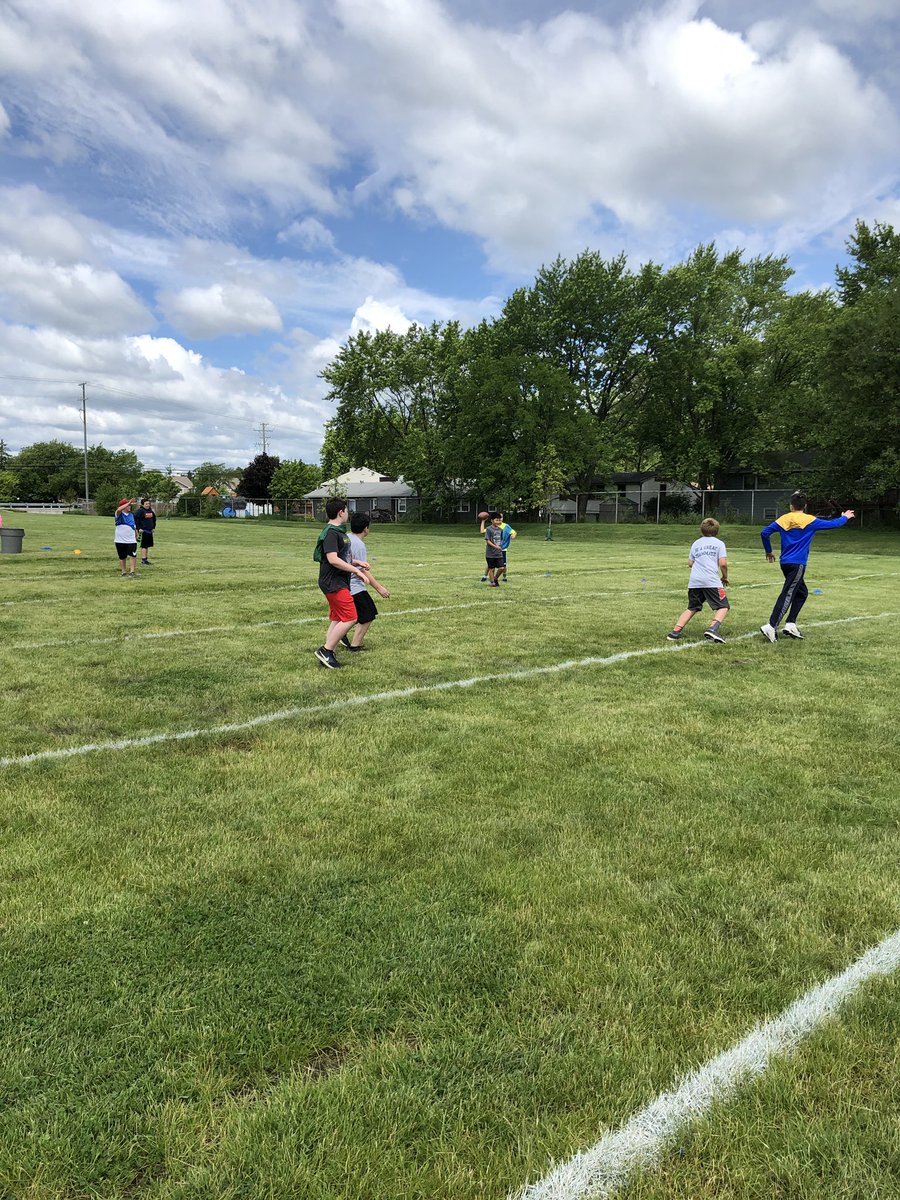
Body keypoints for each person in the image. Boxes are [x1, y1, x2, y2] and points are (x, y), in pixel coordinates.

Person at [759, 491, 855, 642]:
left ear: (791, 506)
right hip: (798, 564)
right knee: (788, 594)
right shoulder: (810, 520)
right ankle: (771, 625)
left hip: (785, 563)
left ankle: (790, 624)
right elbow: (833, 524)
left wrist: (769, 551)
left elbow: (764, 533)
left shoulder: (784, 519)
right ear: (804, 506)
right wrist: (845, 517)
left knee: (801, 592)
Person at [313, 498, 369, 669]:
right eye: (346, 510)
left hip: (337, 580)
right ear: (340, 512)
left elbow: (340, 558)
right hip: (333, 582)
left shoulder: (338, 531)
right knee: (351, 617)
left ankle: (328, 652)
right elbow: (332, 559)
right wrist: (357, 571)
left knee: (338, 617)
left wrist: (356, 563)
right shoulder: (331, 532)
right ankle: (326, 650)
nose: (347, 513)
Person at [666, 517, 730, 643]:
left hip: (695, 582)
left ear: (701, 530)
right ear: (717, 531)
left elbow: (690, 563)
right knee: (723, 606)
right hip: (711, 581)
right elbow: (723, 563)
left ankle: (674, 632)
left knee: (692, 607)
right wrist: (725, 577)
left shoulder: (696, 543)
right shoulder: (719, 544)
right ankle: (712, 629)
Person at [341, 511, 391, 651]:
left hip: (343, 584)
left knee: (353, 614)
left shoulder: (346, 538)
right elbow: (362, 570)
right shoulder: (359, 544)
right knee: (368, 614)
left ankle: (341, 634)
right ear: (366, 528)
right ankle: (355, 644)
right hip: (355, 586)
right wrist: (379, 588)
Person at [480, 512, 517, 581]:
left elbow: (513, 532)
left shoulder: (506, 526)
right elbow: (482, 531)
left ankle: (504, 577)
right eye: (498, 518)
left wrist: (513, 535)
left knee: (503, 565)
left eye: (501, 517)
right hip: (493, 549)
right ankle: (485, 576)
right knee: (490, 565)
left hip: (502, 549)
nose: (500, 519)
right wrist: (483, 521)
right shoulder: (492, 527)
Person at [114, 499, 138, 578]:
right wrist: (128, 503)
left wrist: (136, 534)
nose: (129, 506)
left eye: (130, 505)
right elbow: (119, 509)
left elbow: (133, 526)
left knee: (133, 555)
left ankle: (132, 571)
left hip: (131, 540)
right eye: (128, 505)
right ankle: (123, 572)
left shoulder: (131, 515)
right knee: (122, 556)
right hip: (120, 540)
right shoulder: (119, 514)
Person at [483, 512, 505, 587]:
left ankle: (495, 578)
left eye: (499, 520)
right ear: (492, 520)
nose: (498, 522)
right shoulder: (489, 529)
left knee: (502, 568)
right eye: (496, 520)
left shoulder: (501, 530)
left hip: (498, 553)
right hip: (490, 553)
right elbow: (487, 540)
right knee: (491, 569)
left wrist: (501, 545)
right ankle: (492, 583)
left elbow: (501, 539)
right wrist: (495, 547)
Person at [135, 498, 157, 565]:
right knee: (144, 546)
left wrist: (153, 527)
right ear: (142, 504)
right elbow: (136, 520)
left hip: (149, 530)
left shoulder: (150, 511)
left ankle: (146, 559)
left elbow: (154, 519)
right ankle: (143, 560)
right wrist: (139, 528)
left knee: (147, 546)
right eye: (146, 504)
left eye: (149, 504)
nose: (148, 505)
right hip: (143, 531)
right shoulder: (140, 511)